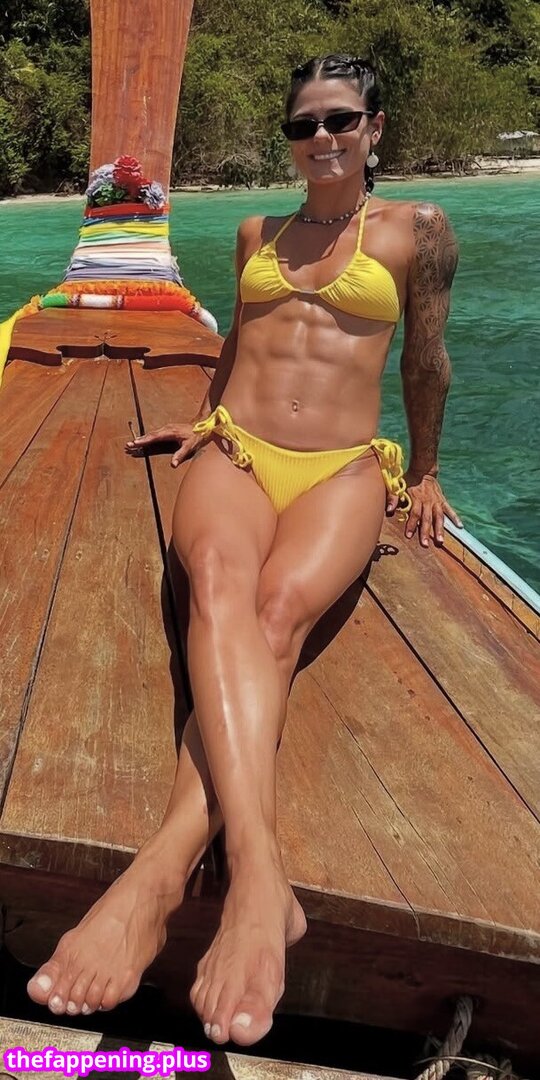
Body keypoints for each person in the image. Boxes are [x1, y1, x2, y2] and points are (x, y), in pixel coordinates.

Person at [27, 54, 463, 1047]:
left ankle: (164, 871)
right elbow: (242, 342)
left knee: (276, 618)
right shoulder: (255, 234)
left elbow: (428, 358)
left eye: (340, 120)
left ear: (375, 127)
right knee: (218, 584)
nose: (322, 139)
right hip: (238, 446)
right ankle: (262, 880)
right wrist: (205, 415)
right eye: (303, 125)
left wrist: (429, 470)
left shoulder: (418, 231)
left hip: (344, 465)